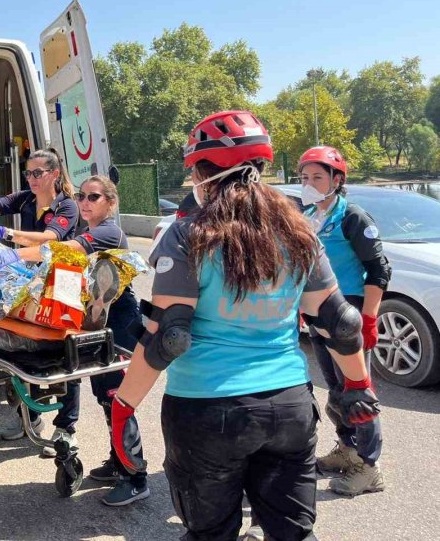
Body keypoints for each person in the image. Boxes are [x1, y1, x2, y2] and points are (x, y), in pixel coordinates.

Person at [109, 110, 380, 541]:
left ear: (204, 173)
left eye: (193, 172)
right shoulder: (299, 232)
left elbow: (169, 337)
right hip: (289, 404)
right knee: (292, 534)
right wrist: (358, 388)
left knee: (211, 534)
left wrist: (124, 406)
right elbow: (339, 323)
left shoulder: (188, 235)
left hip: (207, 409)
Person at [0, 175, 150, 507]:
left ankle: (135, 478)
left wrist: (13, 252)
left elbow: (60, 249)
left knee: (116, 398)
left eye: (94, 197)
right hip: (97, 322)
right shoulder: (87, 229)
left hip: (119, 322)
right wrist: (8, 237)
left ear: (110, 203)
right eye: (81, 196)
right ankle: (117, 462)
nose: (85, 202)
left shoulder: (109, 232)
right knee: (102, 393)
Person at [0, 149, 79, 446]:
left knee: (65, 356)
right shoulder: (26, 198)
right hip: (30, 283)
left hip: (62, 284)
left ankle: (66, 428)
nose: (31, 179)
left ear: (54, 174)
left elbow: (50, 240)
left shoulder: (67, 206)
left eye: (38, 173)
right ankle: (29, 417)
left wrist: (7, 234)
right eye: (28, 173)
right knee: (25, 352)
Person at [298, 146, 390, 496]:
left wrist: (369, 318)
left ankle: (369, 467)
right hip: (319, 313)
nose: (309, 184)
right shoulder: (308, 216)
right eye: (304, 177)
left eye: (317, 177)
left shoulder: (352, 217)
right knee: (336, 390)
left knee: (358, 392)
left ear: (337, 180)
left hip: (349, 313)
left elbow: (379, 270)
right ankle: (347, 448)